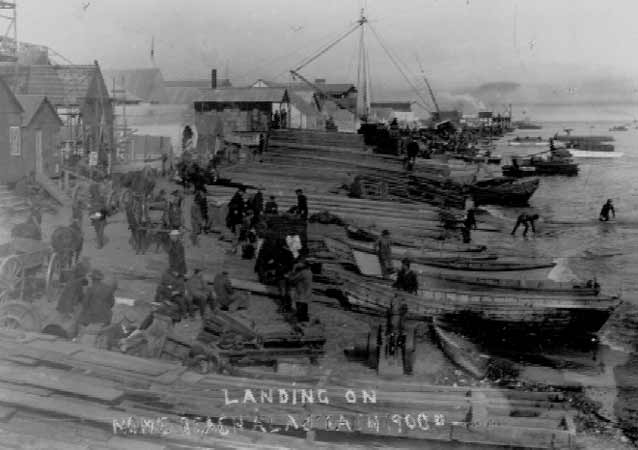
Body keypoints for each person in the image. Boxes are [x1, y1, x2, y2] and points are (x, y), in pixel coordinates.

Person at [286, 256, 313, 321]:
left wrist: (293, 270)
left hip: (301, 294)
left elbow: (292, 280)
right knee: (304, 309)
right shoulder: (309, 272)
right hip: (306, 293)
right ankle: (304, 319)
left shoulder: (303, 272)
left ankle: (301, 321)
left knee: (301, 310)